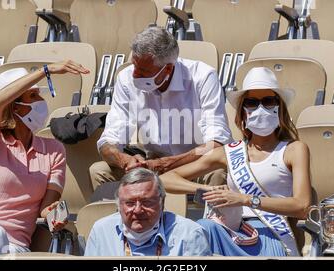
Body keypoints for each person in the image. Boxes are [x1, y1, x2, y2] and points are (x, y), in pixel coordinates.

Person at [0, 61, 90, 256]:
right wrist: (45, 71)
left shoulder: (54, 150)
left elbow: (44, 209)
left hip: (14, 243)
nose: (41, 101)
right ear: (15, 106)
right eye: (33, 96)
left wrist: (54, 214)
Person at [160, 67, 312, 256]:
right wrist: (207, 190)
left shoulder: (293, 149)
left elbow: (303, 207)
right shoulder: (229, 152)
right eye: (252, 102)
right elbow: (165, 179)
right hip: (231, 230)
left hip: (271, 233)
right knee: (204, 227)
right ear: (242, 112)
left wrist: (245, 199)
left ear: (279, 108)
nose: (260, 108)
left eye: (268, 101)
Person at [90, 26, 232, 191]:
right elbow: (108, 141)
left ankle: (209, 218)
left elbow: (216, 144)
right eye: (134, 65)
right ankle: (121, 216)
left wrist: (169, 163)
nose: (134, 74)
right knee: (99, 171)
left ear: (168, 69)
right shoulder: (125, 78)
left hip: (194, 165)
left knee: (217, 173)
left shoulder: (203, 77)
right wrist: (125, 160)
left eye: (143, 71)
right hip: (150, 164)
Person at [84, 168, 211, 256]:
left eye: (147, 202)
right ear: (119, 205)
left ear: (162, 202)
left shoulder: (189, 234)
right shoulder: (101, 231)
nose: (138, 210)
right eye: (130, 203)